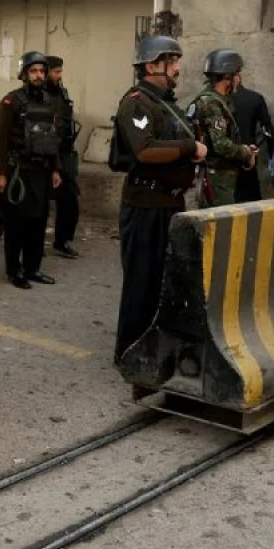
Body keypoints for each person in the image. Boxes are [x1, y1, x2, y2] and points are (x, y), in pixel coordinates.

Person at [113, 35, 208, 364]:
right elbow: (146, 150)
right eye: (173, 62)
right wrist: (189, 148)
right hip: (145, 207)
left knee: (164, 281)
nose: (178, 69)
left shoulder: (166, 103)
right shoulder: (137, 102)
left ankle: (155, 348)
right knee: (141, 282)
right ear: (153, 65)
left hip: (170, 204)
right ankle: (129, 353)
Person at [0, 51, 62, 289]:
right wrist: (1, 173)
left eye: (42, 71)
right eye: (33, 71)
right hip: (18, 173)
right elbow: (2, 140)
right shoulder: (11, 102)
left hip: (41, 172)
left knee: (38, 222)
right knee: (16, 224)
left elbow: (54, 139)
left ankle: (33, 268)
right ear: (24, 74)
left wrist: (56, 169)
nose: (39, 75)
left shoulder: (49, 101)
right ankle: (15, 270)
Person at [185, 49, 257, 206]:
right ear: (227, 76)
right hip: (216, 178)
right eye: (237, 74)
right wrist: (245, 153)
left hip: (222, 177)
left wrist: (244, 148)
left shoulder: (220, 101)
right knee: (221, 225)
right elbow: (221, 145)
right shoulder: (211, 103)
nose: (239, 78)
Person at [46, 55, 81, 258]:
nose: (59, 76)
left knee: (69, 201)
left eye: (60, 71)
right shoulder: (39, 96)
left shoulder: (61, 92)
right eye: (55, 71)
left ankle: (62, 241)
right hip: (46, 155)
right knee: (39, 205)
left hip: (65, 154)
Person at [231, 76, 274, 203]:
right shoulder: (254, 98)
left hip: (229, 163)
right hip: (246, 161)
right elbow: (269, 132)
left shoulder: (210, 100)